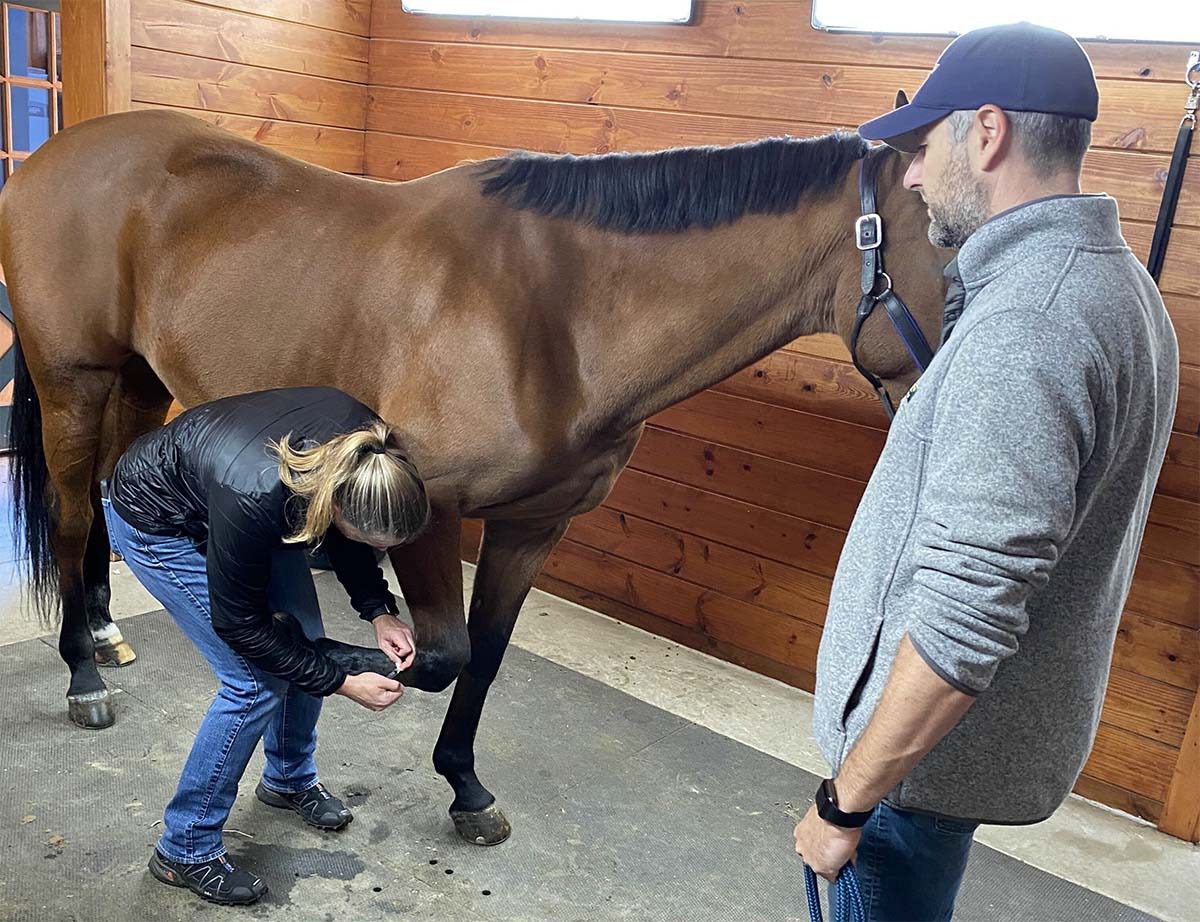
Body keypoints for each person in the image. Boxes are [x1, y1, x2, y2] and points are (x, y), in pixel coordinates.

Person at [791, 22, 1179, 921]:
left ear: (990, 133)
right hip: (940, 768)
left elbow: (969, 610)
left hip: (902, 788)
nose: (915, 175)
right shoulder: (1115, 288)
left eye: (925, 148)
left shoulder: (1030, 325)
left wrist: (843, 803)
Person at [104, 386, 432, 906]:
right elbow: (240, 625)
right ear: (335, 505)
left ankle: (287, 779)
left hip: (248, 504)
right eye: (374, 544)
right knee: (254, 682)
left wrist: (379, 610)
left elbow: (349, 539)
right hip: (157, 518)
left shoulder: (373, 453)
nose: (378, 553)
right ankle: (184, 848)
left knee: (300, 643)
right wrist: (342, 682)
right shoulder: (256, 495)